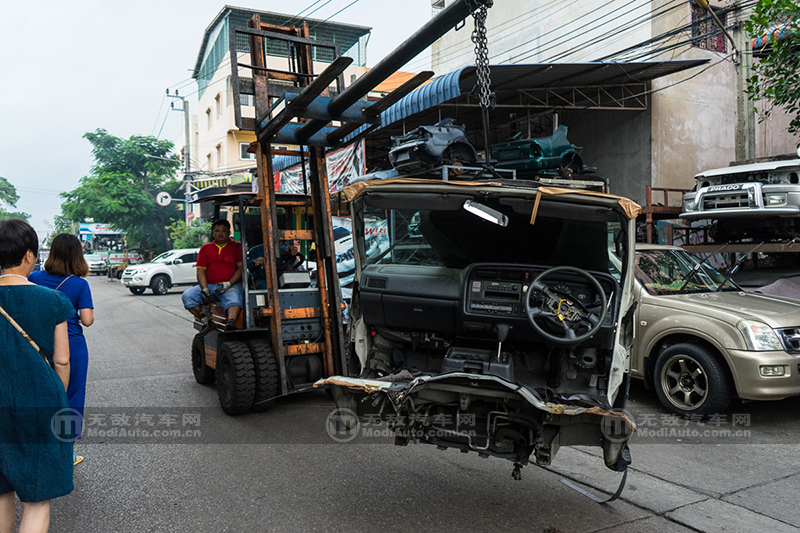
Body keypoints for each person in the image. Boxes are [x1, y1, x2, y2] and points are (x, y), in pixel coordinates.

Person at [0, 220, 76, 533]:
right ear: (30, 256)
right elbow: (62, 359)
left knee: (1, 493)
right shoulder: (53, 301)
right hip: (41, 402)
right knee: (37, 499)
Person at [29, 233, 94, 466]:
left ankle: (39, 449)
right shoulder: (79, 284)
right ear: (78, 256)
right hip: (72, 346)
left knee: (42, 395)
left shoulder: (34, 277)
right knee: (72, 397)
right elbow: (87, 320)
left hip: (40, 343)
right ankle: (66, 454)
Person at [181, 219, 244, 331]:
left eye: (223, 231)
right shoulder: (205, 249)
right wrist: (204, 289)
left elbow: (240, 268)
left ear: (229, 232)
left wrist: (229, 284)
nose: (220, 233)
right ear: (213, 233)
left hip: (231, 286)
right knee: (187, 296)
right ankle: (207, 320)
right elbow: (200, 271)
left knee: (234, 298)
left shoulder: (237, 247)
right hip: (210, 286)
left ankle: (231, 322)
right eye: (217, 231)